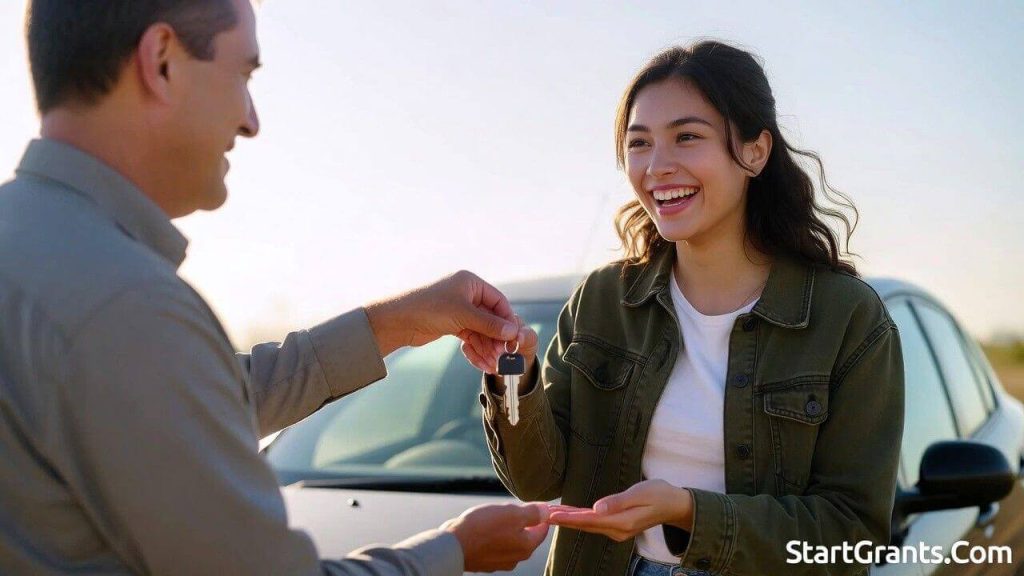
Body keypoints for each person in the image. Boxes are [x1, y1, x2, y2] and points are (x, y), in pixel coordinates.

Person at [0, 1, 549, 574]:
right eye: (244, 75)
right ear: (161, 62)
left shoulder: (35, 254)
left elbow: (205, 396)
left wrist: (397, 323)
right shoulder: (128, 305)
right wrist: (454, 551)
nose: (250, 120)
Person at [462, 41, 904, 576]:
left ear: (755, 152)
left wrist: (691, 514)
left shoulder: (848, 319)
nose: (657, 167)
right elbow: (536, 479)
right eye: (640, 143)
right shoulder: (604, 300)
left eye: (687, 137)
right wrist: (515, 370)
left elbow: (850, 533)